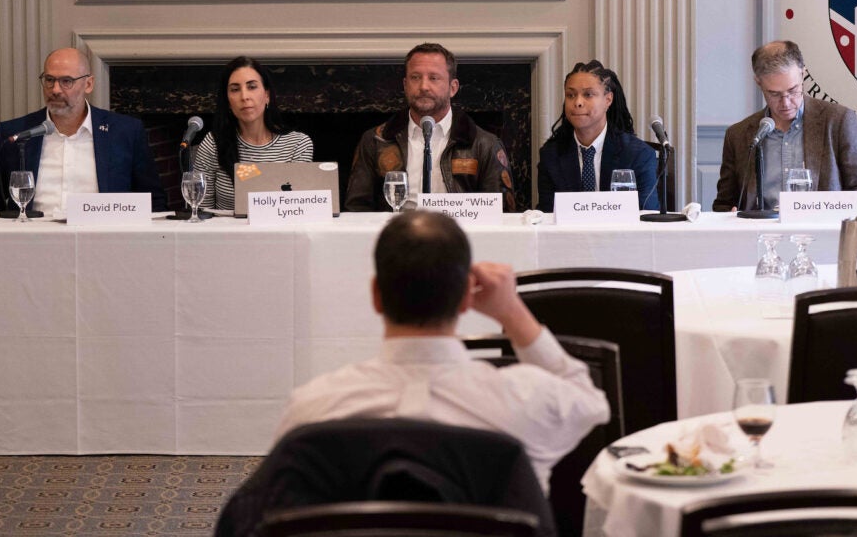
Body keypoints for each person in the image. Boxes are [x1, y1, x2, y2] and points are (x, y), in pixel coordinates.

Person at [273, 211, 609, 491]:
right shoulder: (526, 400)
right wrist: (512, 312)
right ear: (466, 297)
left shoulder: (312, 410)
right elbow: (591, 401)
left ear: (376, 295)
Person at [0, 47, 168, 214]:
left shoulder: (125, 132)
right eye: (49, 80)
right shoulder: (15, 134)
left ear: (88, 84)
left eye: (66, 81)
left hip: (103, 242)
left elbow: (153, 202)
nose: (55, 89)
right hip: (30, 242)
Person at [343, 43, 516, 211]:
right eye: (415, 77)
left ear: (453, 88)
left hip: (458, 236)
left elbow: (502, 216)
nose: (424, 86)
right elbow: (356, 209)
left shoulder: (484, 144)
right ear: (405, 85)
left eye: (433, 78)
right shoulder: (376, 140)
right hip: (395, 236)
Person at [713, 40, 857, 211]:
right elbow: (723, 205)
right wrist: (730, 215)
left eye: (793, 90)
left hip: (823, 233)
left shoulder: (838, 121)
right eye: (774, 94)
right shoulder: (738, 135)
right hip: (760, 235)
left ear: (803, 75)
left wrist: (825, 212)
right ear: (759, 83)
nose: (785, 103)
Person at [190, 56, 314, 212]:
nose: (244, 97)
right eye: (235, 89)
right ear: (228, 101)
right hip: (226, 234)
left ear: (267, 95)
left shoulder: (298, 144)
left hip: (280, 233)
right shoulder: (213, 142)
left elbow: (297, 208)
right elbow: (201, 211)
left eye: (252, 87)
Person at [536, 60, 659, 211]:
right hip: (568, 234)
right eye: (570, 95)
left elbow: (646, 215)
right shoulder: (551, 155)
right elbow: (546, 216)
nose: (578, 102)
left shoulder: (638, 155)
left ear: (608, 100)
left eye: (588, 94)